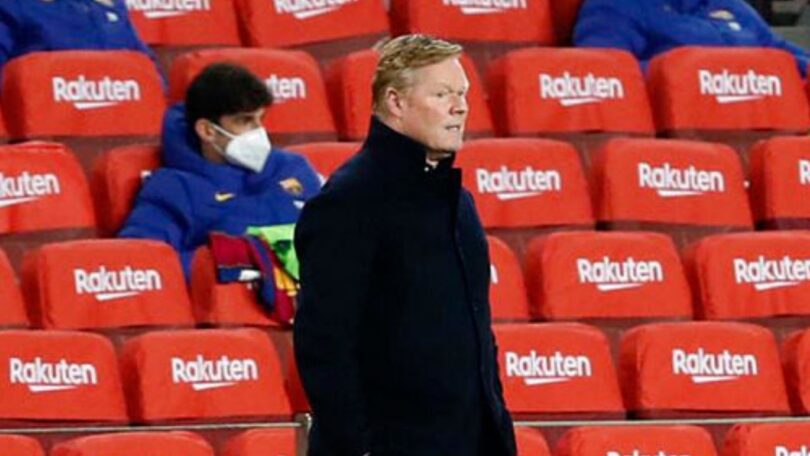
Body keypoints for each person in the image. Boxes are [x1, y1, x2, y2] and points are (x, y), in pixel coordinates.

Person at [293, 34, 516, 456]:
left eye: (463, 94)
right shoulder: (348, 202)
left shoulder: (459, 202)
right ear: (395, 102)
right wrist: (357, 448)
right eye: (442, 94)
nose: (460, 107)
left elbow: (476, 336)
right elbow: (325, 344)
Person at [119, 62, 321, 277]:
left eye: (260, 119)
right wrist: (230, 262)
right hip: (231, 297)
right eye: (245, 121)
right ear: (207, 131)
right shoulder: (173, 189)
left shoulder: (293, 168)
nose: (259, 132)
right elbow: (145, 266)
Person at [574, 0, 810, 76]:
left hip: (762, 125)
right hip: (678, 143)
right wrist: (691, 72)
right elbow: (604, 75)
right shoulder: (615, 6)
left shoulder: (734, 7)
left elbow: (784, 53)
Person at [0, 0, 162, 79]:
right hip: (44, 127)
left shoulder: (110, 8)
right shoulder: (11, 7)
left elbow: (150, 77)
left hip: (124, 121)